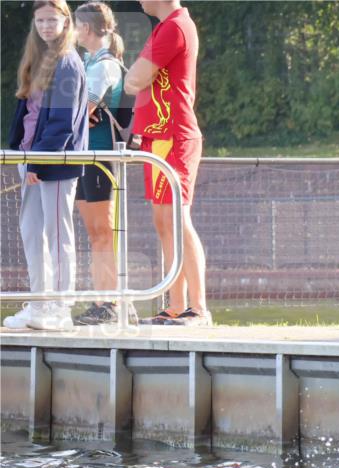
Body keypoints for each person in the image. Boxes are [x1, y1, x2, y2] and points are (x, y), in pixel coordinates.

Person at [4, 0, 88, 331]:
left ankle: (61, 309)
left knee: (57, 234)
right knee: (31, 233)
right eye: (40, 20)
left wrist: (38, 162)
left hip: (54, 164)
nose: (45, 26)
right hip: (31, 161)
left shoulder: (68, 62)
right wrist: (22, 155)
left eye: (52, 20)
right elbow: (29, 113)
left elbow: (61, 123)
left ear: (66, 21)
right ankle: (40, 303)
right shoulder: (39, 59)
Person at [125, 0, 210, 325]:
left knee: (177, 219)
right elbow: (136, 78)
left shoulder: (174, 26)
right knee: (164, 222)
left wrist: (138, 76)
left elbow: (136, 77)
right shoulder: (165, 26)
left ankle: (198, 308)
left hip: (174, 135)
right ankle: (176, 305)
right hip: (159, 137)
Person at [73, 1, 135, 326]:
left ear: (85, 28)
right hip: (85, 156)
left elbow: (82, 109)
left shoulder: (104, 66)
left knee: (102, 233)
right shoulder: (87, 62)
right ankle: (104, 300)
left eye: (74, 25)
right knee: (94, 232)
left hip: (101, 158)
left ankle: (110, 303)